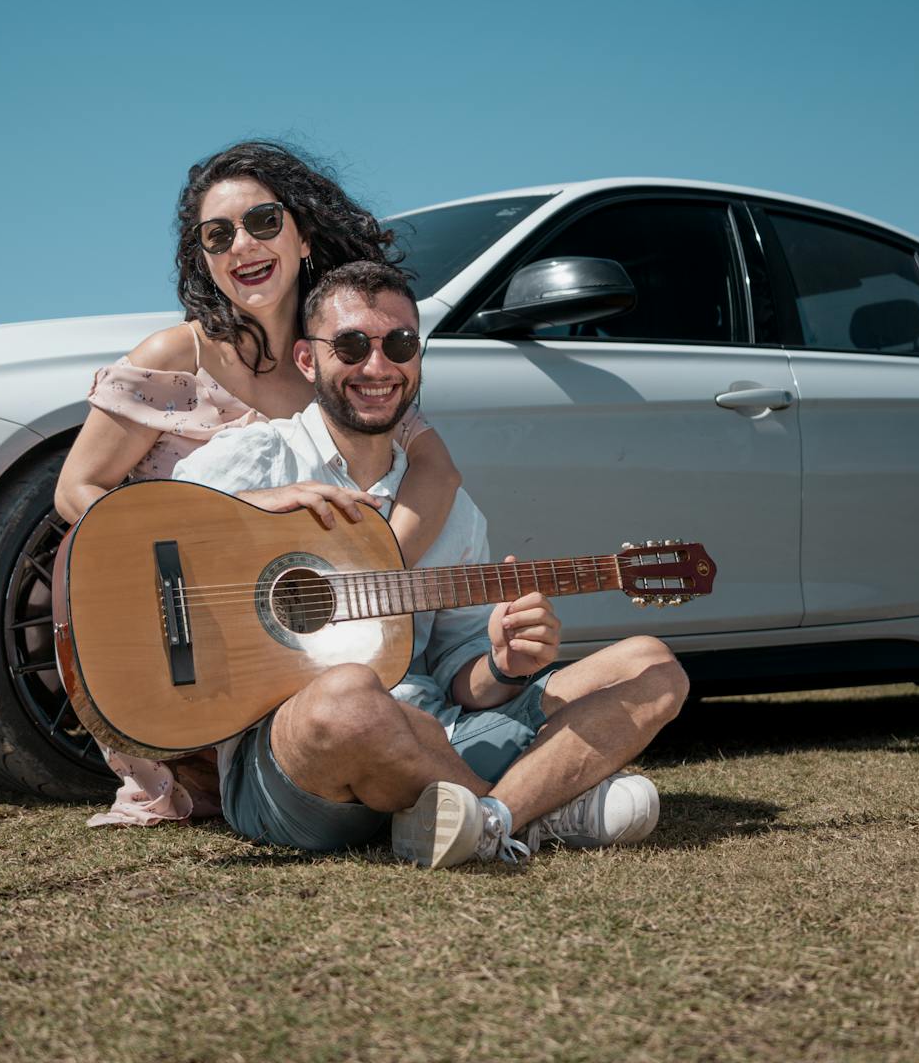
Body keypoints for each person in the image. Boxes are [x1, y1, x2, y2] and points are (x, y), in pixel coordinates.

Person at [169, 260, 690, 867]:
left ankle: (488, 817)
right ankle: (541, 804)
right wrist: (256, 504)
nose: (378, 365)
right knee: (349, 695)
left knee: (652, 666)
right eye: (351, 345)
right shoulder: (260, 456)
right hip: (299, 762)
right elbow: (142, 528)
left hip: (444, 734)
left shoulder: (454, 511)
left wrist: (504, 664)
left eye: (400, 344)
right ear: (308, 361)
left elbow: (462, 680)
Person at [54, 141, 463, 825]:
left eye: (263, 221)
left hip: (295, 641)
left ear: (304, 237)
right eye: (218, 236)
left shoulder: (345, 352)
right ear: (205, 261)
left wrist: (365, 579)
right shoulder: (174, 357)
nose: (242, 244)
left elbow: (436, 468)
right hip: (180, 636)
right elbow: (76, 490)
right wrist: (234, 513)